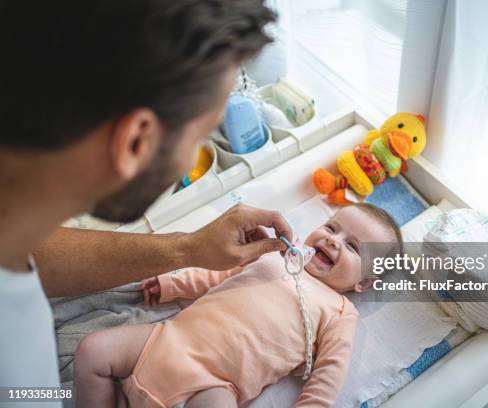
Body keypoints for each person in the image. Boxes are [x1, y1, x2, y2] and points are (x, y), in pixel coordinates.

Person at [0, 0, 291, 402]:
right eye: (199, 137)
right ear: (136, 141)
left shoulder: (15, 231)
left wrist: (188, 249)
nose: (191, 159)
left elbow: (38, 258)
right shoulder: (12, 356)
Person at [73, 204, 403, 408]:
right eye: (332, 227)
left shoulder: (340, 312)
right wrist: (172, 285)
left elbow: (327, 379)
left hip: (215, 385)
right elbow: (218, 275)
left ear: (362, 284)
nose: (333, 240)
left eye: (353, 247)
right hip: (166, 340)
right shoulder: (274, 256)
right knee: (92, 350)